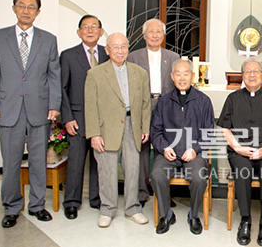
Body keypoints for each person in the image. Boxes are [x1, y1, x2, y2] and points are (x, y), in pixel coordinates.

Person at [0, 0, 60, 228]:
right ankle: (12, 207)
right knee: (11, 161)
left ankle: (37, 206)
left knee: (38, 161)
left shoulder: (48, 39)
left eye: (31, 7)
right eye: (22, 6)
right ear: (14, 8)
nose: (26, 10)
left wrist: (54, 105)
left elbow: (53, 75)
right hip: (8, 107)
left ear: (38, 12)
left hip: (39, 108)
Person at [84, 32, 151, 228]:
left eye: (123, 46)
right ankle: (107, 209)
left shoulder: (140, 73)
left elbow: (146, 103)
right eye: (115, 47)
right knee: (107, 170)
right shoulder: (95, 73)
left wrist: (144, 127)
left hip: (132, 126)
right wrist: (94, 133)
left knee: (133, 169)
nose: (120, 51)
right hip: (106, 129)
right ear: (107, 50)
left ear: (128, 49)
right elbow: (90, 106)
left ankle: (132, 208)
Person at [217, 58, 262, 246]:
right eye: (248, 71)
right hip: (239, 151)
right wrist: (238, 148)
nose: (252, 74)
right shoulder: (233, 98)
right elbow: (225, 128)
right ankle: (245, 220)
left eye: (256, 71)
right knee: (242, 170)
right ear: (242, 76)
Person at [150, 59, 214, 235]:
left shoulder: (203, 101)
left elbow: (209, 132)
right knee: (156, 175)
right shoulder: (163, 102)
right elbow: (155, 131)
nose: (182, 78)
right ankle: (166, 215)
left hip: (194, 153)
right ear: (172, 76)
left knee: (199, 178)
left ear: (193, 76)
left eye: (186, 73)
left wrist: (194, 148)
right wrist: (164, 147)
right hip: (168, 153)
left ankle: (193, 215)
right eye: (178, 74)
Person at [127, 18, 180, 207]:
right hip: (142, 106)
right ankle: (141, 193)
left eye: (159, 32)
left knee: (164, 149)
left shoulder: (174, 57)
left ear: (163, 35)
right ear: (144, 35)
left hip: (166, 106)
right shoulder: (133, 57)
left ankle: (163, 194)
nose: (155, 35)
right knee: (140, 150)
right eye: (151, 32)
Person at [60, 15, 109, 219]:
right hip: (77, 118)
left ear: (100, 31)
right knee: (76, 160)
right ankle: (71, 201)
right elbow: (61, 89)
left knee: (100, 160)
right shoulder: (68, 55)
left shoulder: (108, 55)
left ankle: (97, 198)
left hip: (103, 118)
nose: (90, 30)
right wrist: (67, 117)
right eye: (85, 27)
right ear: (78, 32)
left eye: (94, 27)